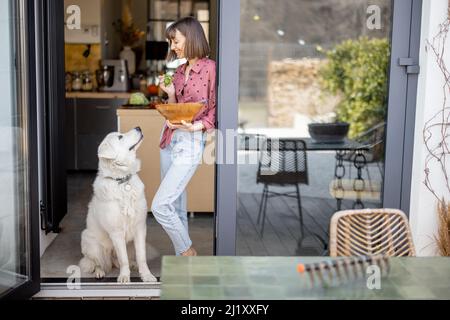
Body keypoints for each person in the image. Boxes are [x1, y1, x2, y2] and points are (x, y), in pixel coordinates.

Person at [151, 16, 216, 257]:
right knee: (176, 206)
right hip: (169, 139)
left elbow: (214, 108)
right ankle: (183, 264)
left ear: (192, 37)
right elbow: (176, 108)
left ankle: (188, 252)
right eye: (171, 42)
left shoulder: (211, 68)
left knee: (160, 206)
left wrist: (196, 127)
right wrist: (169, 94)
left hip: (189, 142)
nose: (173, 47)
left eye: (176, 41)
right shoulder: (179, 71)